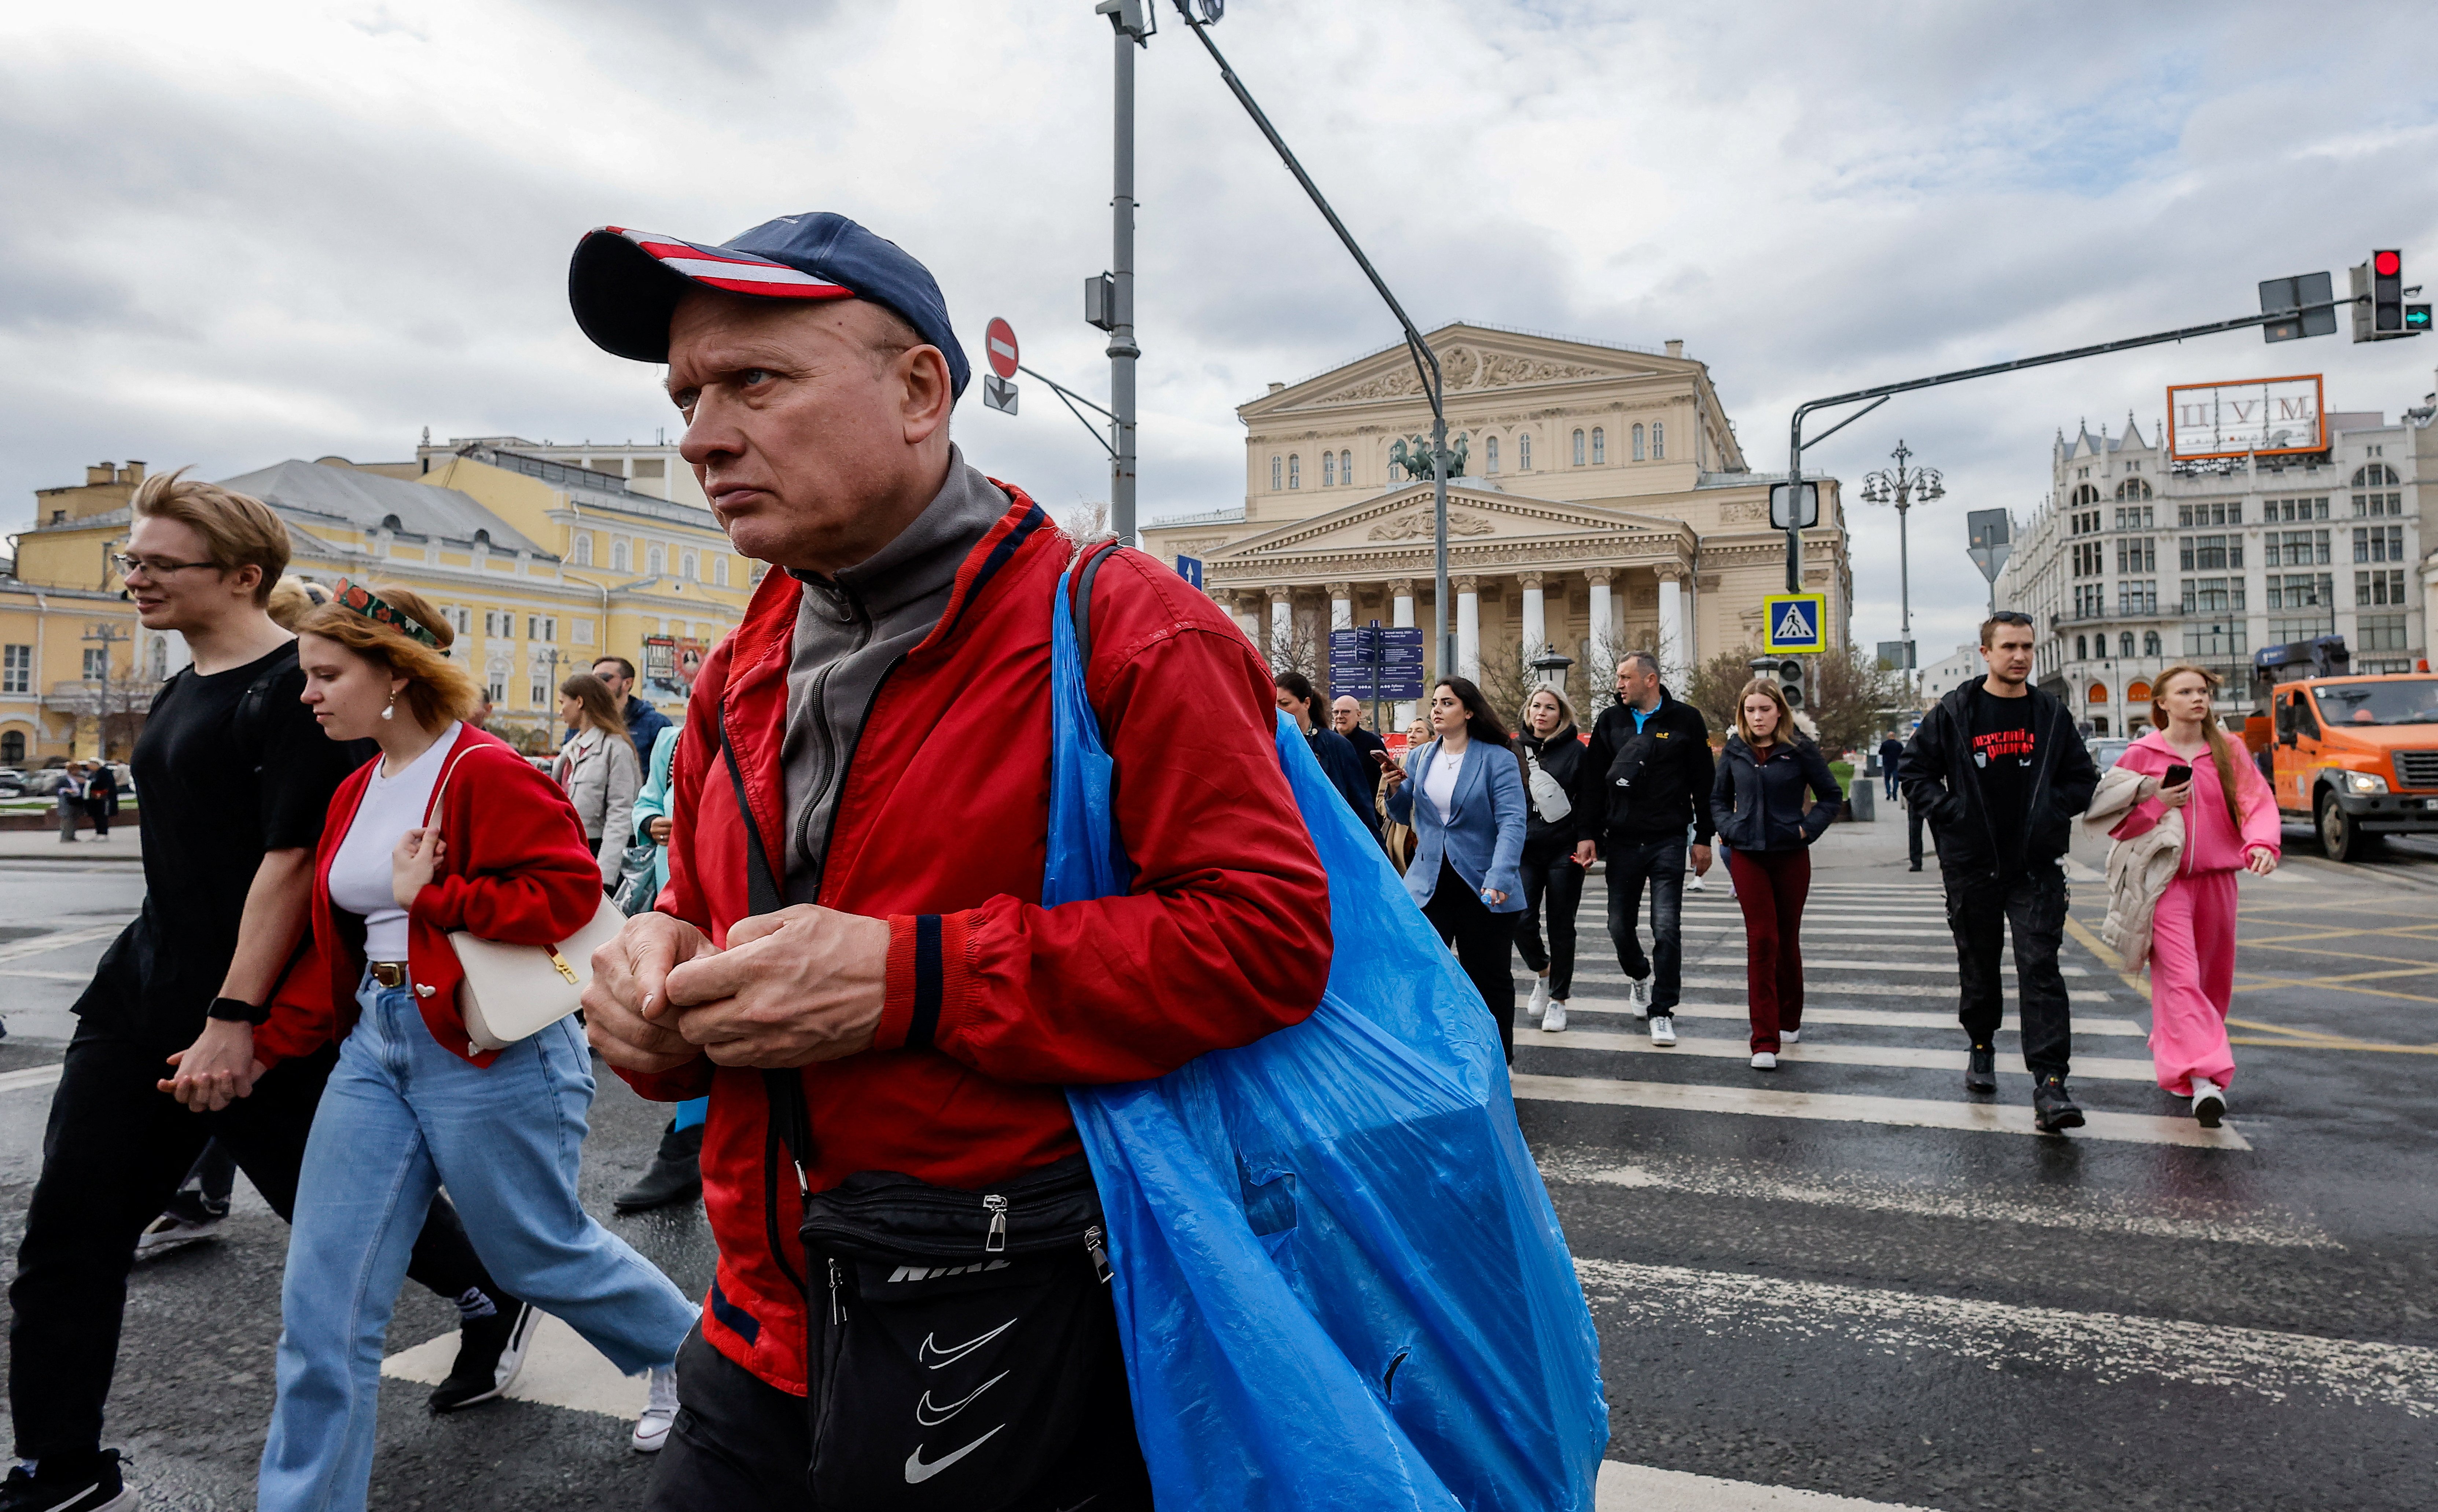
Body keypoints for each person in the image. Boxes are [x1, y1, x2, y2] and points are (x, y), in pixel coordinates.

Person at [566, 210, 1329, 1512]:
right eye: (687, 393)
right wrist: (650, 981)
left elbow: (1266, 936)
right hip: (755, 1332)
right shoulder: (735, 670)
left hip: (1002, 1330)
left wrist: (911, 978)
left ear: (920, 390)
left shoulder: (1123, 629)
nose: (697, 435)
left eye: (754, 381)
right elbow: (699, 909)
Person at [6, 473, 515, 1512]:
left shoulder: (298, 685)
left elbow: (287, 863)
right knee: (69, 1229)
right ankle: (59, 1466)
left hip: (263, 1013)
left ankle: (489, 1292)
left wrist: (234, 1021)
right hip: (141, 992)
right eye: (130, 560)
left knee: (326, 1212)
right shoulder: (188, 680)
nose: (133, 575)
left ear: (241, 575)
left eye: (156, 561)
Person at [257, 581, 698, 1507]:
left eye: (327, 674)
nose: (309, 694)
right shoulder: (355, 788)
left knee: (538, 1253)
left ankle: (699, 1357)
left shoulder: (482, 769)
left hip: (489, 1049)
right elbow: (335, 936)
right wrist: (258, 1040)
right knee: (322, 1307)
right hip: (375, 1049)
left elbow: (570, 898)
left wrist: (437, 898)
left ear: (396, 676)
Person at [1900, 611, 2100, 1132]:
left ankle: (2050, 1084)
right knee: (1978, 962)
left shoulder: (2050, 713)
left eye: (2026, 647)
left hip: (2034, 866)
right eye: (2008, 646)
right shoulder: (1955, 711)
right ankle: (1982, 1043)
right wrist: (1951, 813)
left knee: (2040, 968)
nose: (2019, 656)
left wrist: (2053, 810)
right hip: (1972, 866)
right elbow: (1913, 771)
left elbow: (2082, 778)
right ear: (1985, 652)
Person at [2094, 666, 2279, 1126]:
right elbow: (2116, 824)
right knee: (2181, 978)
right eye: (2186, 692)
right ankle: (2206, 1080)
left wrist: (2262, 843)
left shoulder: (2228, 748)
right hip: (2165, 881)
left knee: (2213, 981)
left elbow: (2256, 803)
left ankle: (2179, 1050)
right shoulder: (2141, 754)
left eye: (2202, 691)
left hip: (2218, 880)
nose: (2198, 698)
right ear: (2162, 703)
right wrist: (2159, 803)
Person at [1572, 651, 1715, 1047]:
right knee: (1619, 926)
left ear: (1649, 680)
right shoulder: (1610, 721)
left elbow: (1704, 783)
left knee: (1666, 928)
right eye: (1618, 677)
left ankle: (1663, 1009)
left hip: (1668, 838)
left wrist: (1704, 837)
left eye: (1625, 677)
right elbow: (1592, 783)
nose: (1618, 684)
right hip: (1621, 840)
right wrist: (1587, 834)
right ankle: (1639, 976)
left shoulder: (1686, 719)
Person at [1383, 677, 1529, 1062]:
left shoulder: (1497, 758)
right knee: (1425, 974)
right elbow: (1405, 816)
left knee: (1489, 978)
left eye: (1446, 703)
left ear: (1468, 711)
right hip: (1430, 882)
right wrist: (1394, 790)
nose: (1436, 710)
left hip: (1483, 883)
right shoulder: (1420, 757)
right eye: (1434, 702)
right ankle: (1436, 1057)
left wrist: (1501, 875)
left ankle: (1499, 1059)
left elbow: (1513, 822)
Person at [1710, 679, 1843, 1069]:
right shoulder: (1734, 751)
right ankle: (1763, 1040)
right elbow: (1718, 798)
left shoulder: (1799, 749)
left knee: (1787, 939)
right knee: (1763, 939)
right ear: (1742, 714)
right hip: (1747, 854)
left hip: (1790, 855)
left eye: (1764, 709)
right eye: (1750, 710)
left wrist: (1806, 829)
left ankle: (1789, 1018)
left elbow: (1831, 796)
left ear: (1779, 712)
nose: (1757, 717)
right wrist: (1729, 828)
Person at [613, 725, 707, 1214]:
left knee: (708, 1024)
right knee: (680, 1021)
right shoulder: (673, 740)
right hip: (674, 900)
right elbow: (648, 798)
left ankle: (685, 1152)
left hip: (732, 901)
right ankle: (685, 1154)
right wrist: (650, 820)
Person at [1510, 686, 1586, 1034]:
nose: (1541, 713)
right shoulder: (1512, 749)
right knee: (1520, 920)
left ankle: (1558, 999)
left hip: (1563, 848)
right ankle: (1543, 972)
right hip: (1524, 848)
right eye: (1536, 706)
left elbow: (1588, 800)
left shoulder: (1576, 752)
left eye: (1550, 708)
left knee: (1561, 925)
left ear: (1562, 714)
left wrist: (1588, 840)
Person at [555, 671, 643, 891]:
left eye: (563, 702)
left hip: (596, 853)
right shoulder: (570, 750)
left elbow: (621, 813)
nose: (560, 711)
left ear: (580, 702)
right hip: (568, 853)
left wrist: (605, 874)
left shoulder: (616, 749)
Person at [1276, 671, 1381, 843]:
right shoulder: (1269, 745)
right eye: (1274, 704)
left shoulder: (1336, 746)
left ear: (1307, 703)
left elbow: (1361, 807)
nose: (1278, 710)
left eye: (1285, 703)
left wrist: (1379, 857)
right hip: (1288, 842)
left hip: (1331, 842)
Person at [587, 654, 673, 764]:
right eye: (593, 679)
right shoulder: (585, 719)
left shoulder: (657, 724)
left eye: (604, 678)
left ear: (627, 683)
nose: (596, 684)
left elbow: (669, 768)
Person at [52, 762, 85, 844]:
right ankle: (65, 837)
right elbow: (57, 789)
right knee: (67, 819)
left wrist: (84, 783)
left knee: (75, 818)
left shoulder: (81, 778)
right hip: (67, 800)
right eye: (75, 770)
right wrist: (66, 790)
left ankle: (72, 836)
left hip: (78, 800)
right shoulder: (63, 779)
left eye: (78, 770)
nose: (77, 772)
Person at [82, 762, 117, 840]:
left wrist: (87, 783)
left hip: (102, 798)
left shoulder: (105, 773)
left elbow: (102, 784)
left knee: (101, 815)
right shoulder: (94, 773)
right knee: (97, 816)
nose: (89, 768)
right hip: (94, 799)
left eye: (91, 766)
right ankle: (99, 832)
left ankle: (103, 833)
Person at [1878, 732, 1905, 804]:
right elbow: (1903, 753)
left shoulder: (1885, 744)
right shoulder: (1898, 744)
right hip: (1896, 764)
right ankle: (1895, 794)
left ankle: (1888, 792)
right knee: (1896, 780)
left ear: (1888, 736)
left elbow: (1880, 752)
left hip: (1887, 764)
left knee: (1887, 779)